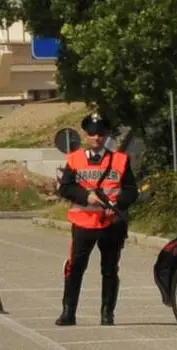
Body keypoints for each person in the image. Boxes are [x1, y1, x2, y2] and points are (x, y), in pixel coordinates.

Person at [55, 112, 139, 326]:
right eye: (92, 134)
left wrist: (118, 205)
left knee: (110, 270)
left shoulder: (120, 160)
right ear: (86, 135)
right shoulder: (74, 159)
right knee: (75, 267)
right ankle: (68, 312)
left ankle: (107, 315)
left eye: (101, 134)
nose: (97, 138)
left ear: (106, 135)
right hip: (83, 222)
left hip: (111, 223)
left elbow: (131, 190)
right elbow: (65, 187)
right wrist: (86, 196)